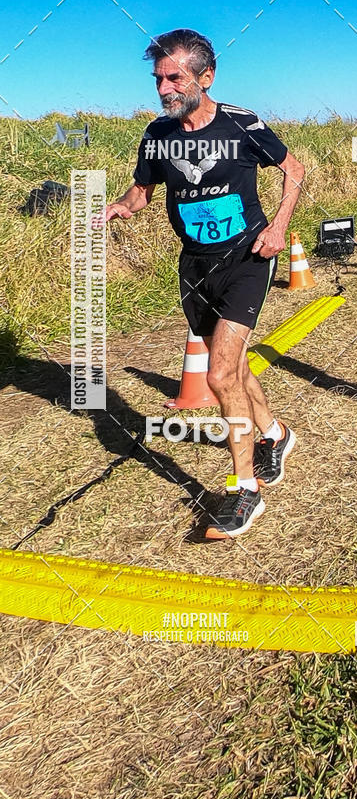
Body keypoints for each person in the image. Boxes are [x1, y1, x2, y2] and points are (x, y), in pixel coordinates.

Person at [102, 29, 305, 539]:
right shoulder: (158, 134)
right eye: (158, 80)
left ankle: (245, 492)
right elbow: (143, 188)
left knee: (218, 376)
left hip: (247, 257)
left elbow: (294, 170)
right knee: (231, 366)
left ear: (205, 77)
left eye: (175, 77)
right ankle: (275, 435)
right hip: (196, 265)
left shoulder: (241, 123)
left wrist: (278, 228)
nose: (165, 88)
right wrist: (123, 206)